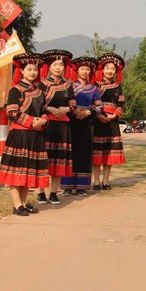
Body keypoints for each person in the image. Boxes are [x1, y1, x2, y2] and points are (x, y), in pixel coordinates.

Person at [0, 53, 48, 216]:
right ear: (22, 71)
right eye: (29, 69)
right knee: (16, 172)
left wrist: (43, 120)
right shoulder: (15, 90)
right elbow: (11, 112)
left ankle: (23, 202)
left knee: (29, 171)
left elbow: (45, 110)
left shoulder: (40, 92)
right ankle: (17, 205)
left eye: (35, 69)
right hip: (20, 135)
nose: (33, 72)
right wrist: (32, 121)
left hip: (35, 136)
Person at [38, 49, 76, 205]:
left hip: (63, 126)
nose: (58, 68)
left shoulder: (68, 84)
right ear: (49, 66)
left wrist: (66, 109)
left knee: (58, 159)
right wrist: (49, 109)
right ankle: (41, 192)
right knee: (44, 159)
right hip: (47, 124)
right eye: (55, 65)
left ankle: (53, 192)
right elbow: (37, 103)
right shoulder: (42, 83)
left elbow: (73, 103)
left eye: (61, 64)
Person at [61, 57, 100, 196]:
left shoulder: (94, 88)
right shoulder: (69, 86)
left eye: (87, 69)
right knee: (71, 152)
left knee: (84, 153)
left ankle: (81, 186)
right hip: (71, 121)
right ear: (77, 71)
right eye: (82, 69)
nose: (85, 71)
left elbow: (99, 106)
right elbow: (64, 101)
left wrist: (89, 111)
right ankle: (67, 185)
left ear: (90, 71)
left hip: (86, 123)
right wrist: (74, 110)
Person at [93, 53, 126, 189]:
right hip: (98, 120)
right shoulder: (95, 85)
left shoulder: (118, 86)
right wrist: (99, 114)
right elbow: (92, 103)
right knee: (97, 153)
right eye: (107, 68)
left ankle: (106, 181)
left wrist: (115, 115)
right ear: (102, 69)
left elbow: (121, 104)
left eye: (112, 68)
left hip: (112, 122)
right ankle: (96, 181)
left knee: (108, 154)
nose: (110, 71)